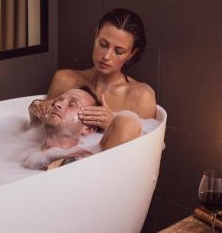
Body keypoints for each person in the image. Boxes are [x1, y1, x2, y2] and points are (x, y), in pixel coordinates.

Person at [47, 8, 156, 150]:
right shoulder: (64, 80)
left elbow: (143, 154)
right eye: (103, 44)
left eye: (118, 51)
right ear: (96, 34)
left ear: (131, 53)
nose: (106, 56)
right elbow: (36, 128)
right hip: (56, 163)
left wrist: (114, 125)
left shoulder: (141, 96)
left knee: (126, 123)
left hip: (108, 169)